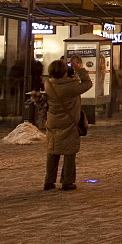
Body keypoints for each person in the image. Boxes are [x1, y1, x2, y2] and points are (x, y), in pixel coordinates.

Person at [43, 56, 92, 191]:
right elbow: (87, 84)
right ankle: (67, 181)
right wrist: (80, 70)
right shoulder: (71, 86)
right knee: (69, 151)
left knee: (53, 150)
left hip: (53, 121)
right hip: (69, 122)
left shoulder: (49, 84)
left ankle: (49, 180)